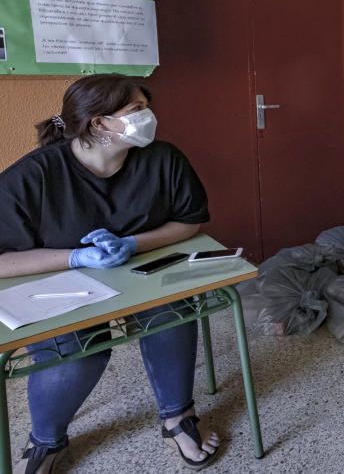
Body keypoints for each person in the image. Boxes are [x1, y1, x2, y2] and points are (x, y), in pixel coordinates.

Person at [0, 74, 223, 472]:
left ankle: (178, 418)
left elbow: (189, 222)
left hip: (141, 274)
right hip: (60, 286)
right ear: (99, 123)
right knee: (78, 355)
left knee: (172, 315)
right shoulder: (34, 176)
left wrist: (134, 245)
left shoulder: (163, 159)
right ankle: (46, 440)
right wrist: (75, 258)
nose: (149, 117)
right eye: (136, 110)